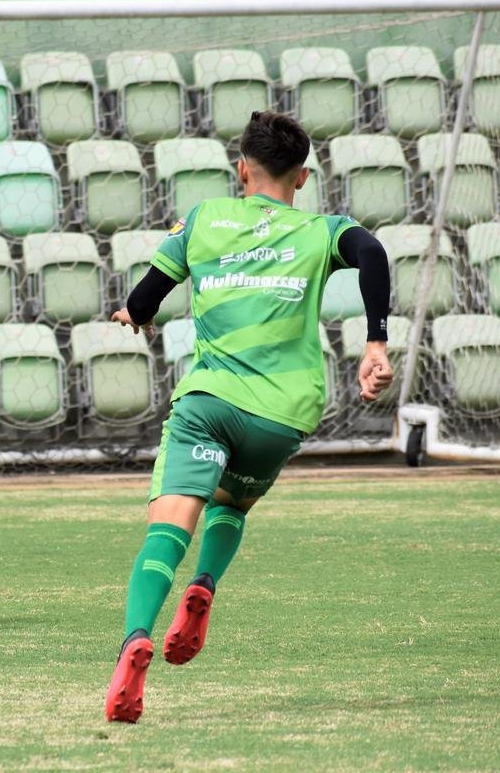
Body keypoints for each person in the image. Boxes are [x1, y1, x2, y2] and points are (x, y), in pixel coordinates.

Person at [103, 112, 394, 722]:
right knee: (229, 506)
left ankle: (134, 640)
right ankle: (205, 584)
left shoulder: (204, 219)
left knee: (166, 530)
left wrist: (135, 314)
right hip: (280, 416)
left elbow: (144, 298)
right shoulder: (320, 229)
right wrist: (375, 344)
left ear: (242, 169)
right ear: (304, 177)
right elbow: (372, 251)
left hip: (209, 404)